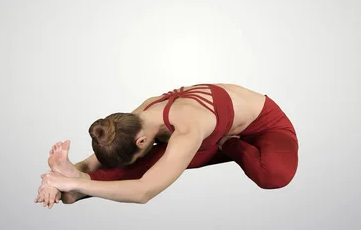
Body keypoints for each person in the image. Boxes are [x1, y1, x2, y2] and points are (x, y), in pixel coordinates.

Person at [34, 83, 299, 208]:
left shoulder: (187, 128)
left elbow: (143, 192)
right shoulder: (133, 122)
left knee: (273, 174)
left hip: (264, 128)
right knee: (142, 161)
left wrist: (75, 183)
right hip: (208, 136)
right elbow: (106, 156)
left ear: (141, 140)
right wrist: (62, 177)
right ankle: (78, 188)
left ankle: (232, 145)